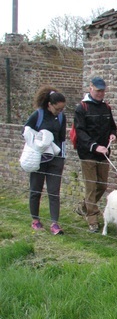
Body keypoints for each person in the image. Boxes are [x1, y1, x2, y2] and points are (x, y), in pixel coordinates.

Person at [73, 77, 117, 232]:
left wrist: (113, 135)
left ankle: (84, 207)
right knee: (91, 187)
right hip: (88, 154)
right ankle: (92, 219)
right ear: (91, 88)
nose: (101, 93)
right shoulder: (82, 108)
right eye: (98, 90)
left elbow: (112, 127)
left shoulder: (106, 108)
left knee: (102, 185)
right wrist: (94, 146)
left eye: (103, 90)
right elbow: (80, 132)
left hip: (104, 153)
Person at [23, 86, 67, 235]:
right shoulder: (38, 115)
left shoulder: (61, 117)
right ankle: (35, 219)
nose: (59, 112)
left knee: (54, 192)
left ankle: (55, 223)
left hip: (55, 160)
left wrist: (61, 158)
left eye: (62, 109)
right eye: (57, 109)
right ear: (49, 104)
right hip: (39, 159)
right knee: (36, 190)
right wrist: (39, 141)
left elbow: (62, 139)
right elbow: (26, 131)